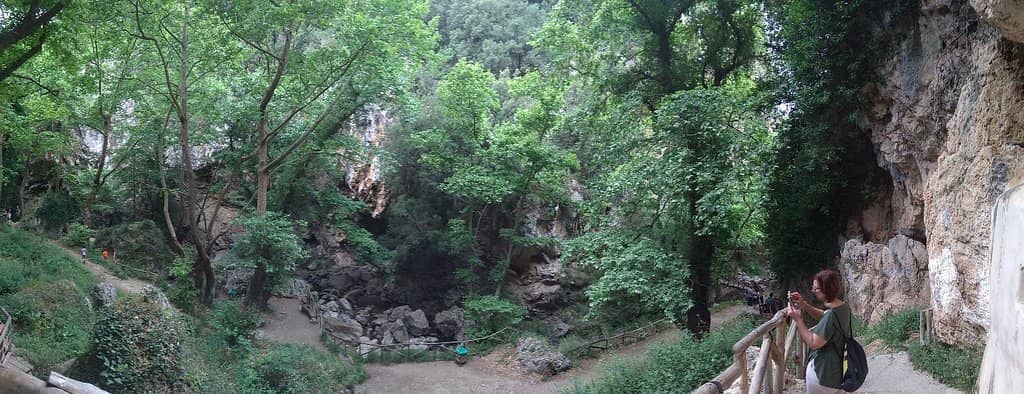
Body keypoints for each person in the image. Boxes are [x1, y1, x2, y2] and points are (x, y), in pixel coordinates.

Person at [787, 269, 852, 394]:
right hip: (837, 372)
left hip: (824, 375)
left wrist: (798, 319)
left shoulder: (831, 316)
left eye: (816, 289)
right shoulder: (843, 307)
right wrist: (803, 304)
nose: (813, 291)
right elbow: (824, 315)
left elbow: (813, 342)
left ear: (826, 289)